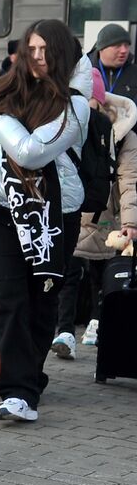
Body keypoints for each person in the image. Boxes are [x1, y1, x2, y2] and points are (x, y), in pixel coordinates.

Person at [0, 19, 90, 423]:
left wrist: (2, 120)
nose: (38, 57)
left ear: (62, 53)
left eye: (47, 50)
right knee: (8, 302)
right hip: (3, 209)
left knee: (41, 306)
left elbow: (30, 153)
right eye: (32, 49)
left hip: (55, 215)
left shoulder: (76, 103)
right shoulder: (7, 89)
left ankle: (26, 380)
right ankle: (18, 392)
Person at [54, 93, 137, 355]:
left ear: (100, 101)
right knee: (69, 272)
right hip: (72, 209)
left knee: (101, 274)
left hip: (105, 213)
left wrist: (130, 221)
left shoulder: (126, 136)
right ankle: (65, 331)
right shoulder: (68, 125)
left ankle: (96, 322)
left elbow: (129, 182)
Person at [89, 23, 137, 104]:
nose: (124, 50)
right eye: (117, 45)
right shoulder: (85, 72)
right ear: (102, 48)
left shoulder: (134, 73)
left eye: (126, 45)